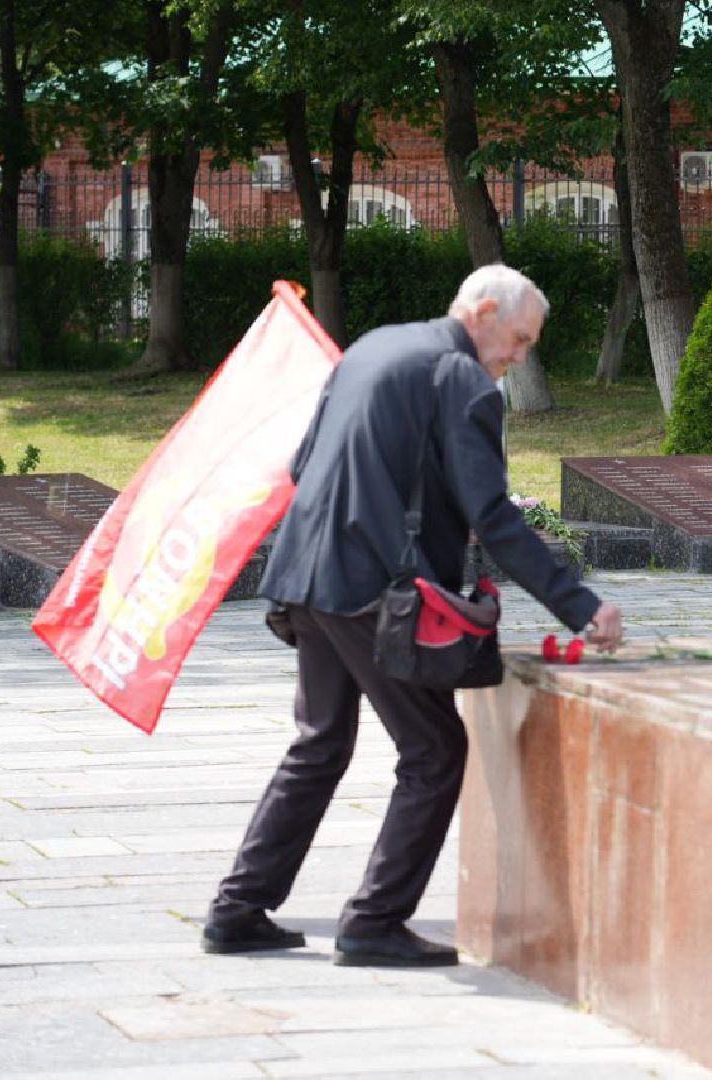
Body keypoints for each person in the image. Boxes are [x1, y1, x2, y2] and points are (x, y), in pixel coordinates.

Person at [202, 264, 624, 967]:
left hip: (304, 571)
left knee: (320, 742)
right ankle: (373, 922)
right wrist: (580, 605)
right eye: (519, 340)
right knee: (434, 750)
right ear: (482, 312)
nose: (520, 357)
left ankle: (236, 910)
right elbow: (494, 516)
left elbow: (305, 465)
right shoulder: (462, 380)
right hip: (371, 587)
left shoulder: (372, 347)